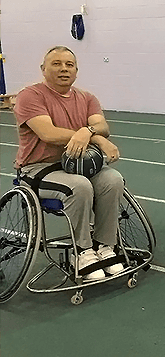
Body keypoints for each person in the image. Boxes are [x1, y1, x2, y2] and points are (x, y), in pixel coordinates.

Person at [14, 46, 124, 281]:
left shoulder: (86, 98)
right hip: (39, 168)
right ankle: (82, 251)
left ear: (76, 71)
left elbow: (102, 125)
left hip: (80, 164)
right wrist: (92, 136)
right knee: (80, 186)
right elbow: (48, 133)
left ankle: (105, 246)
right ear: (43, 69)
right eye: (56, 63)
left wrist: (90, 130)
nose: (64, 68)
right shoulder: (30, 96)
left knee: (113, 180)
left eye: (69, 64)